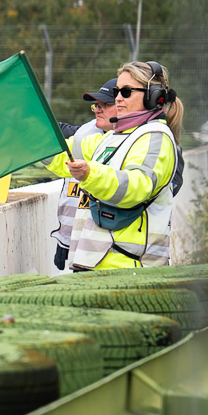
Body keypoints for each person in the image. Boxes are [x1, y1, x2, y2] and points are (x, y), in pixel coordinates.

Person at [45, 61, 184, 271]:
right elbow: (63, 154)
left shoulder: (156, 137)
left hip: (129, 269)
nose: (118, 97)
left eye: (126, 92)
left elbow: (136, 188)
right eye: (118, 91)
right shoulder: (112, 136)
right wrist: (30, 133)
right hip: (95, 264)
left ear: (153, 96)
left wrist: (90, 174)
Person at [51, 78, 117, 270]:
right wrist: (65, 238)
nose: (97, 108)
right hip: (84, 247)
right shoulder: (84, 138)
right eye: (97, 104)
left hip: (118, 256)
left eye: (106, 104)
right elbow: (63, 166)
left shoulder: (147, 142)